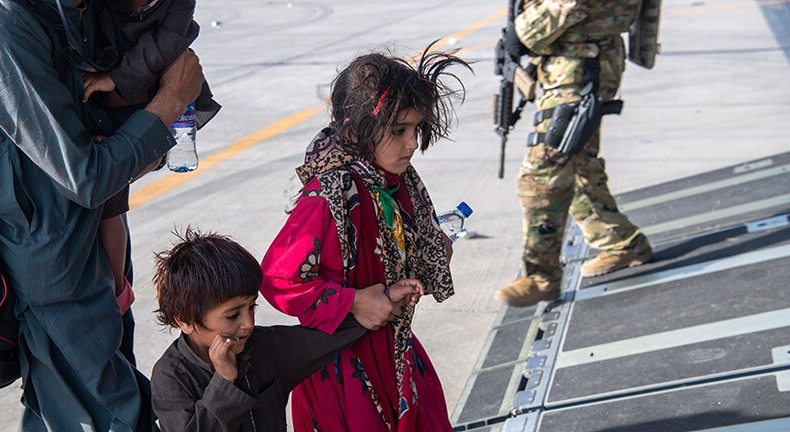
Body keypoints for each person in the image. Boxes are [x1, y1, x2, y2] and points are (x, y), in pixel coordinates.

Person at [0, 0, 205, 428]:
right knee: (111, 414)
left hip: (92, 246)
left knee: (70, 409)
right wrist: (170, 102)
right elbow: (87, 175)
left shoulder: (68, 10)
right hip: (56, 271)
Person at [259, 43, 470, 431]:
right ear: (357, 131)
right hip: (343, 367)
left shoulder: (396, 183)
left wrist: (421, 263)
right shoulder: (329, 196)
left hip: (394, 350)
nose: (412, 144)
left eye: (416, 129)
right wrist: (354, 301)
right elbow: (278, 279)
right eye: (399, 131)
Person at [150, 230, 423, 431]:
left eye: (251, 307)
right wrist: (224, 381)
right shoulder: (170, 378)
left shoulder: (265, 347)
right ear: (185, 321)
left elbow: (323, 338)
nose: (248, 324)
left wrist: (383, 300)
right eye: (233, 315)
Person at [493, 0, 653, 307]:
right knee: (577, 163)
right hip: (572, 60)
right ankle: (620, 241)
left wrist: (524, 31)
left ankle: (541, 276)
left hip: (583, 61)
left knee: (544, 170)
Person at [80, 0, 221, 318]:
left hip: (151, 100)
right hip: (102, 105)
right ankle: (116, 290)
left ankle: (117, 290)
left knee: (111, 199)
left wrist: (116, 78)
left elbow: (169, 41)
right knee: (107, 196)